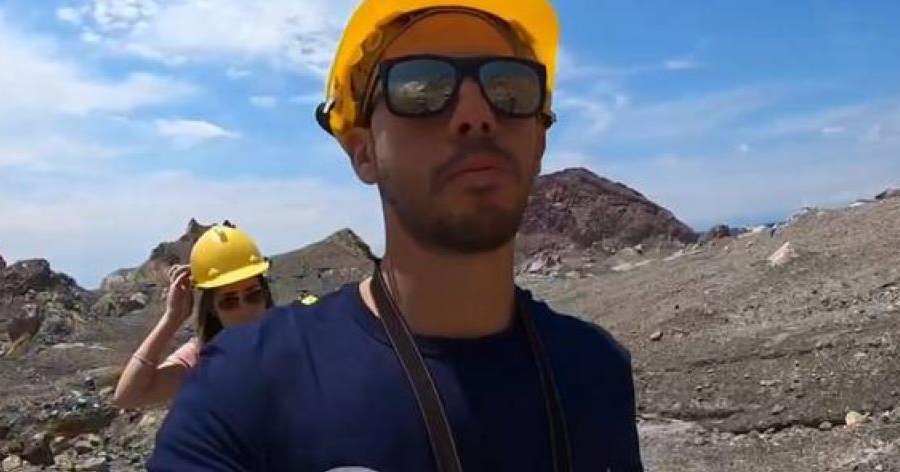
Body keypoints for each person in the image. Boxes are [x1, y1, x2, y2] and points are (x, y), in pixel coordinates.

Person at [148, 1, 644, 470]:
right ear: (363, 152)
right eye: (421, 89)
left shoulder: (597, 370)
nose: (477, 113)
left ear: (538, 141)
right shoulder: (242, 387)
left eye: (510, 89)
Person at [113, 224, 274, 409]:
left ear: (265, 294)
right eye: (229, 302)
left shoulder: (291, 339)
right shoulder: (199, 359)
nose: (245, 309)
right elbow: (127, 397)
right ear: (212, 308)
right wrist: (171, 319)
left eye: (253, 295)